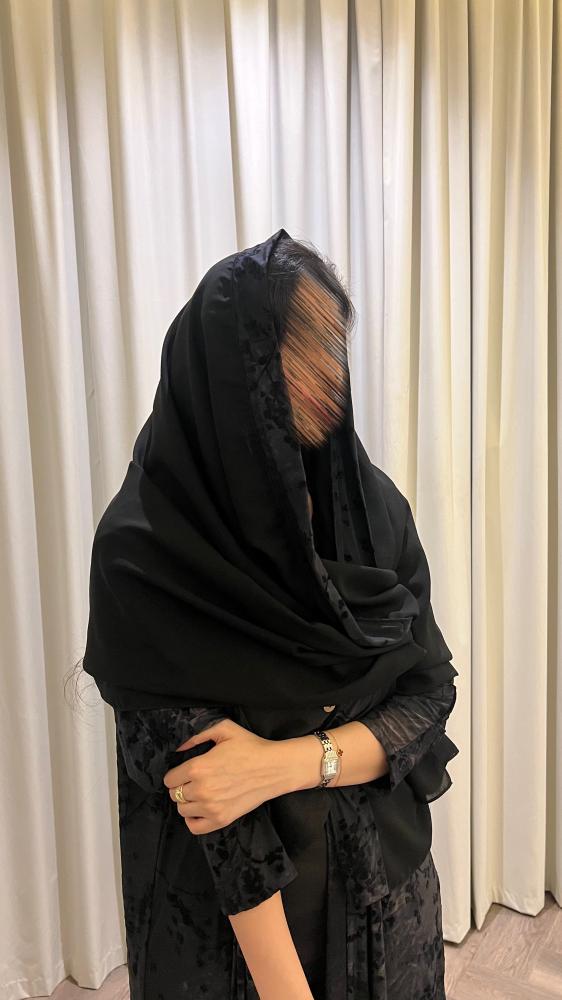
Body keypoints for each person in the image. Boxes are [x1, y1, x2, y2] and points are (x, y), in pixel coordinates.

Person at [72, 228, 460, 999]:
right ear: (226, 372)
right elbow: (214, 803)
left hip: (388, 908)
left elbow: (430, 690)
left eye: (332, 350)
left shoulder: (371, 510)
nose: (326, 381)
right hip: (231, 950)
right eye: (296, 355)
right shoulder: (145, 554)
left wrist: (287, 763)